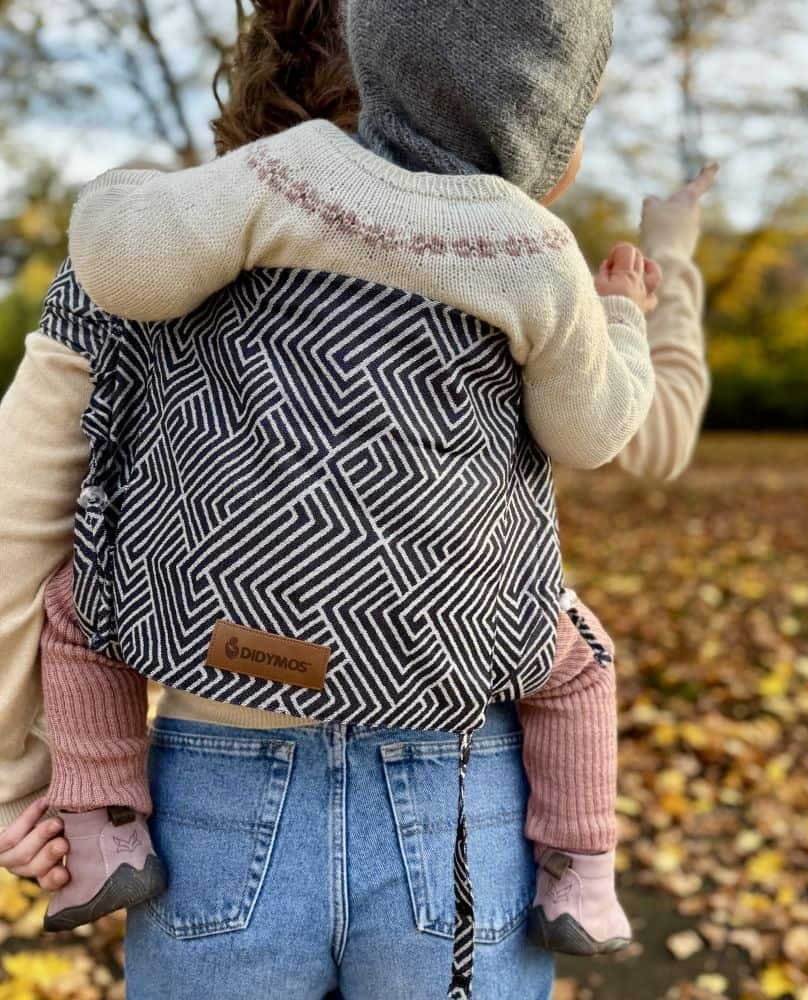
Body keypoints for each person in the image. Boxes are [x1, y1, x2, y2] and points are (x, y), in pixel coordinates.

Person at [0, 4, 712, 998]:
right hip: (457, 767)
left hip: (213, 763)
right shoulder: (529, 256)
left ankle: (100, 815)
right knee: (579, 657)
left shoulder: (246, 199)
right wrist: (639, 300)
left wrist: (18, 786)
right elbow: (619, 434)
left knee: (86, 603)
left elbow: (18, 527)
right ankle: (581, 872)